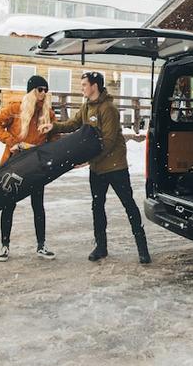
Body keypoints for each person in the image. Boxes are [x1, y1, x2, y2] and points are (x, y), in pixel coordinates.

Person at [50, 71, 151, 264]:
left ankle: (142, 248)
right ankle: (101, 247)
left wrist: (89, 160)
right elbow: (73, 124)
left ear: (94, 86)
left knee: (128, 205)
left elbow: (109, 141)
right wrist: (53, 127)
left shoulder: (108, 109)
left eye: (84, 86)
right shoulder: (87, 106)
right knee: (97, 207)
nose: (82, 89)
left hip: (115, 167)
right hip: (97, 168)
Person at [0, 75, 56, 262]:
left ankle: (41, 245)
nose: (43, 93)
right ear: (31, 90)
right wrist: (11, 142)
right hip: (14, 163)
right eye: (39, 89)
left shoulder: (48, 114)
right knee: (8, 204)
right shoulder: (15, 108)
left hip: (36, 165)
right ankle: (4, 246)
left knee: (38, 205)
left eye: (45, 90)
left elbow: (53, 138)